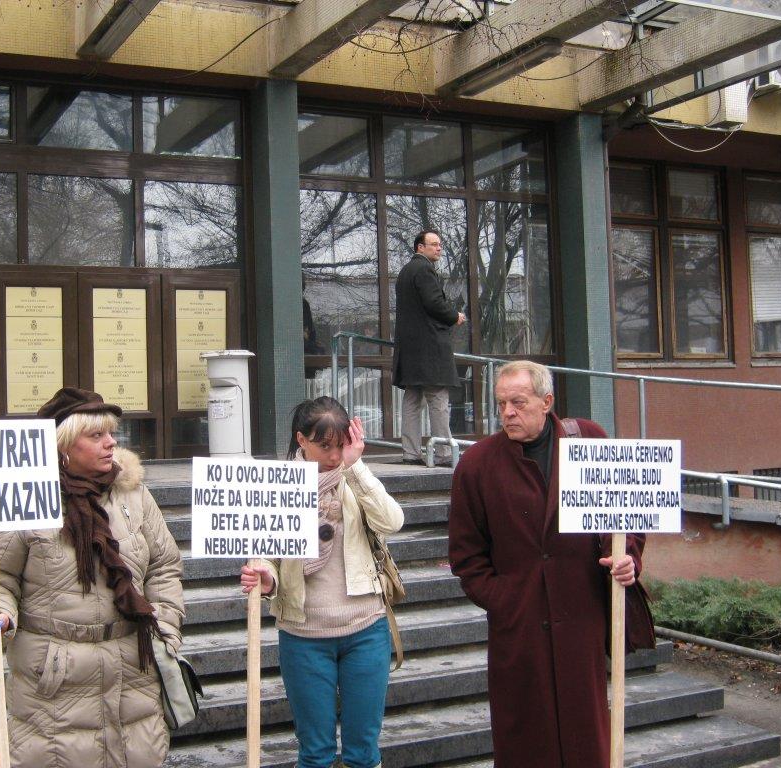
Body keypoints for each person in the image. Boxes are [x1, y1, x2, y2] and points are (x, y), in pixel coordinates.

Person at [0, 387, 184, 768]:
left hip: (133, 673)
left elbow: (164, 566)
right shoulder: (25, 497)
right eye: (96, 435)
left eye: (111, 433)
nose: (111, 442)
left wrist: (164, 632)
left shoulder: (133, 494)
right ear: (64, 445)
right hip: (55, 683)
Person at [448, 360, 647, 768]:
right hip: (519, 629)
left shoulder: (589, 440)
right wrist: (507, 600)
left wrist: (628, 558)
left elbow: (625, 517)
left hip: (581, 619)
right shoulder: (478, 464)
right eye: (501, 403)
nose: (507, 413)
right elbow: (467, 557)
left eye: (518, 402)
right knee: (525, 739)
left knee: (586, 737)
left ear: (547, 401)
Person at [240, 396, 403, 768]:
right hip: (303, 634)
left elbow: (392, 521)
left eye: (340, 445)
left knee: (364, 751)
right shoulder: (278, 486)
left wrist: (355, 466)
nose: (333, 455)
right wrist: (267, 578)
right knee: (315, 753)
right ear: (302, 440)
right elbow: (266, 553)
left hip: (366, 628)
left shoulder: (353, 478)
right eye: (324, 445)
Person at [392, 230, 465, 467]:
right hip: (429, 349)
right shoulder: (424, 269)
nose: (439, 248)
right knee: (438, 399)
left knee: (412, 400)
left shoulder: (405, 271)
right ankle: (444, 454)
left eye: (440, 244)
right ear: (420, 247)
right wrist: (454, 316)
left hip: (410, 350)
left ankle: (410, 453)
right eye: (433, 244)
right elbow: (434, 303)